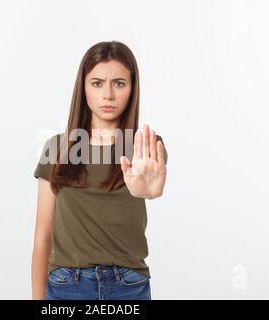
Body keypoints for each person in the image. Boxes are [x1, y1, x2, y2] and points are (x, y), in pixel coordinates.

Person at [31, 41, 168, 300]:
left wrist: (149, 193)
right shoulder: (57, 148)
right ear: (83, 88)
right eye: (97, 83)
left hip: (128, 286)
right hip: (67, 285)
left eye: (119, 83)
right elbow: (42, 237)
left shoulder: (144, 146)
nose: (108, 95)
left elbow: (151, 187)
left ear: (132, 88)